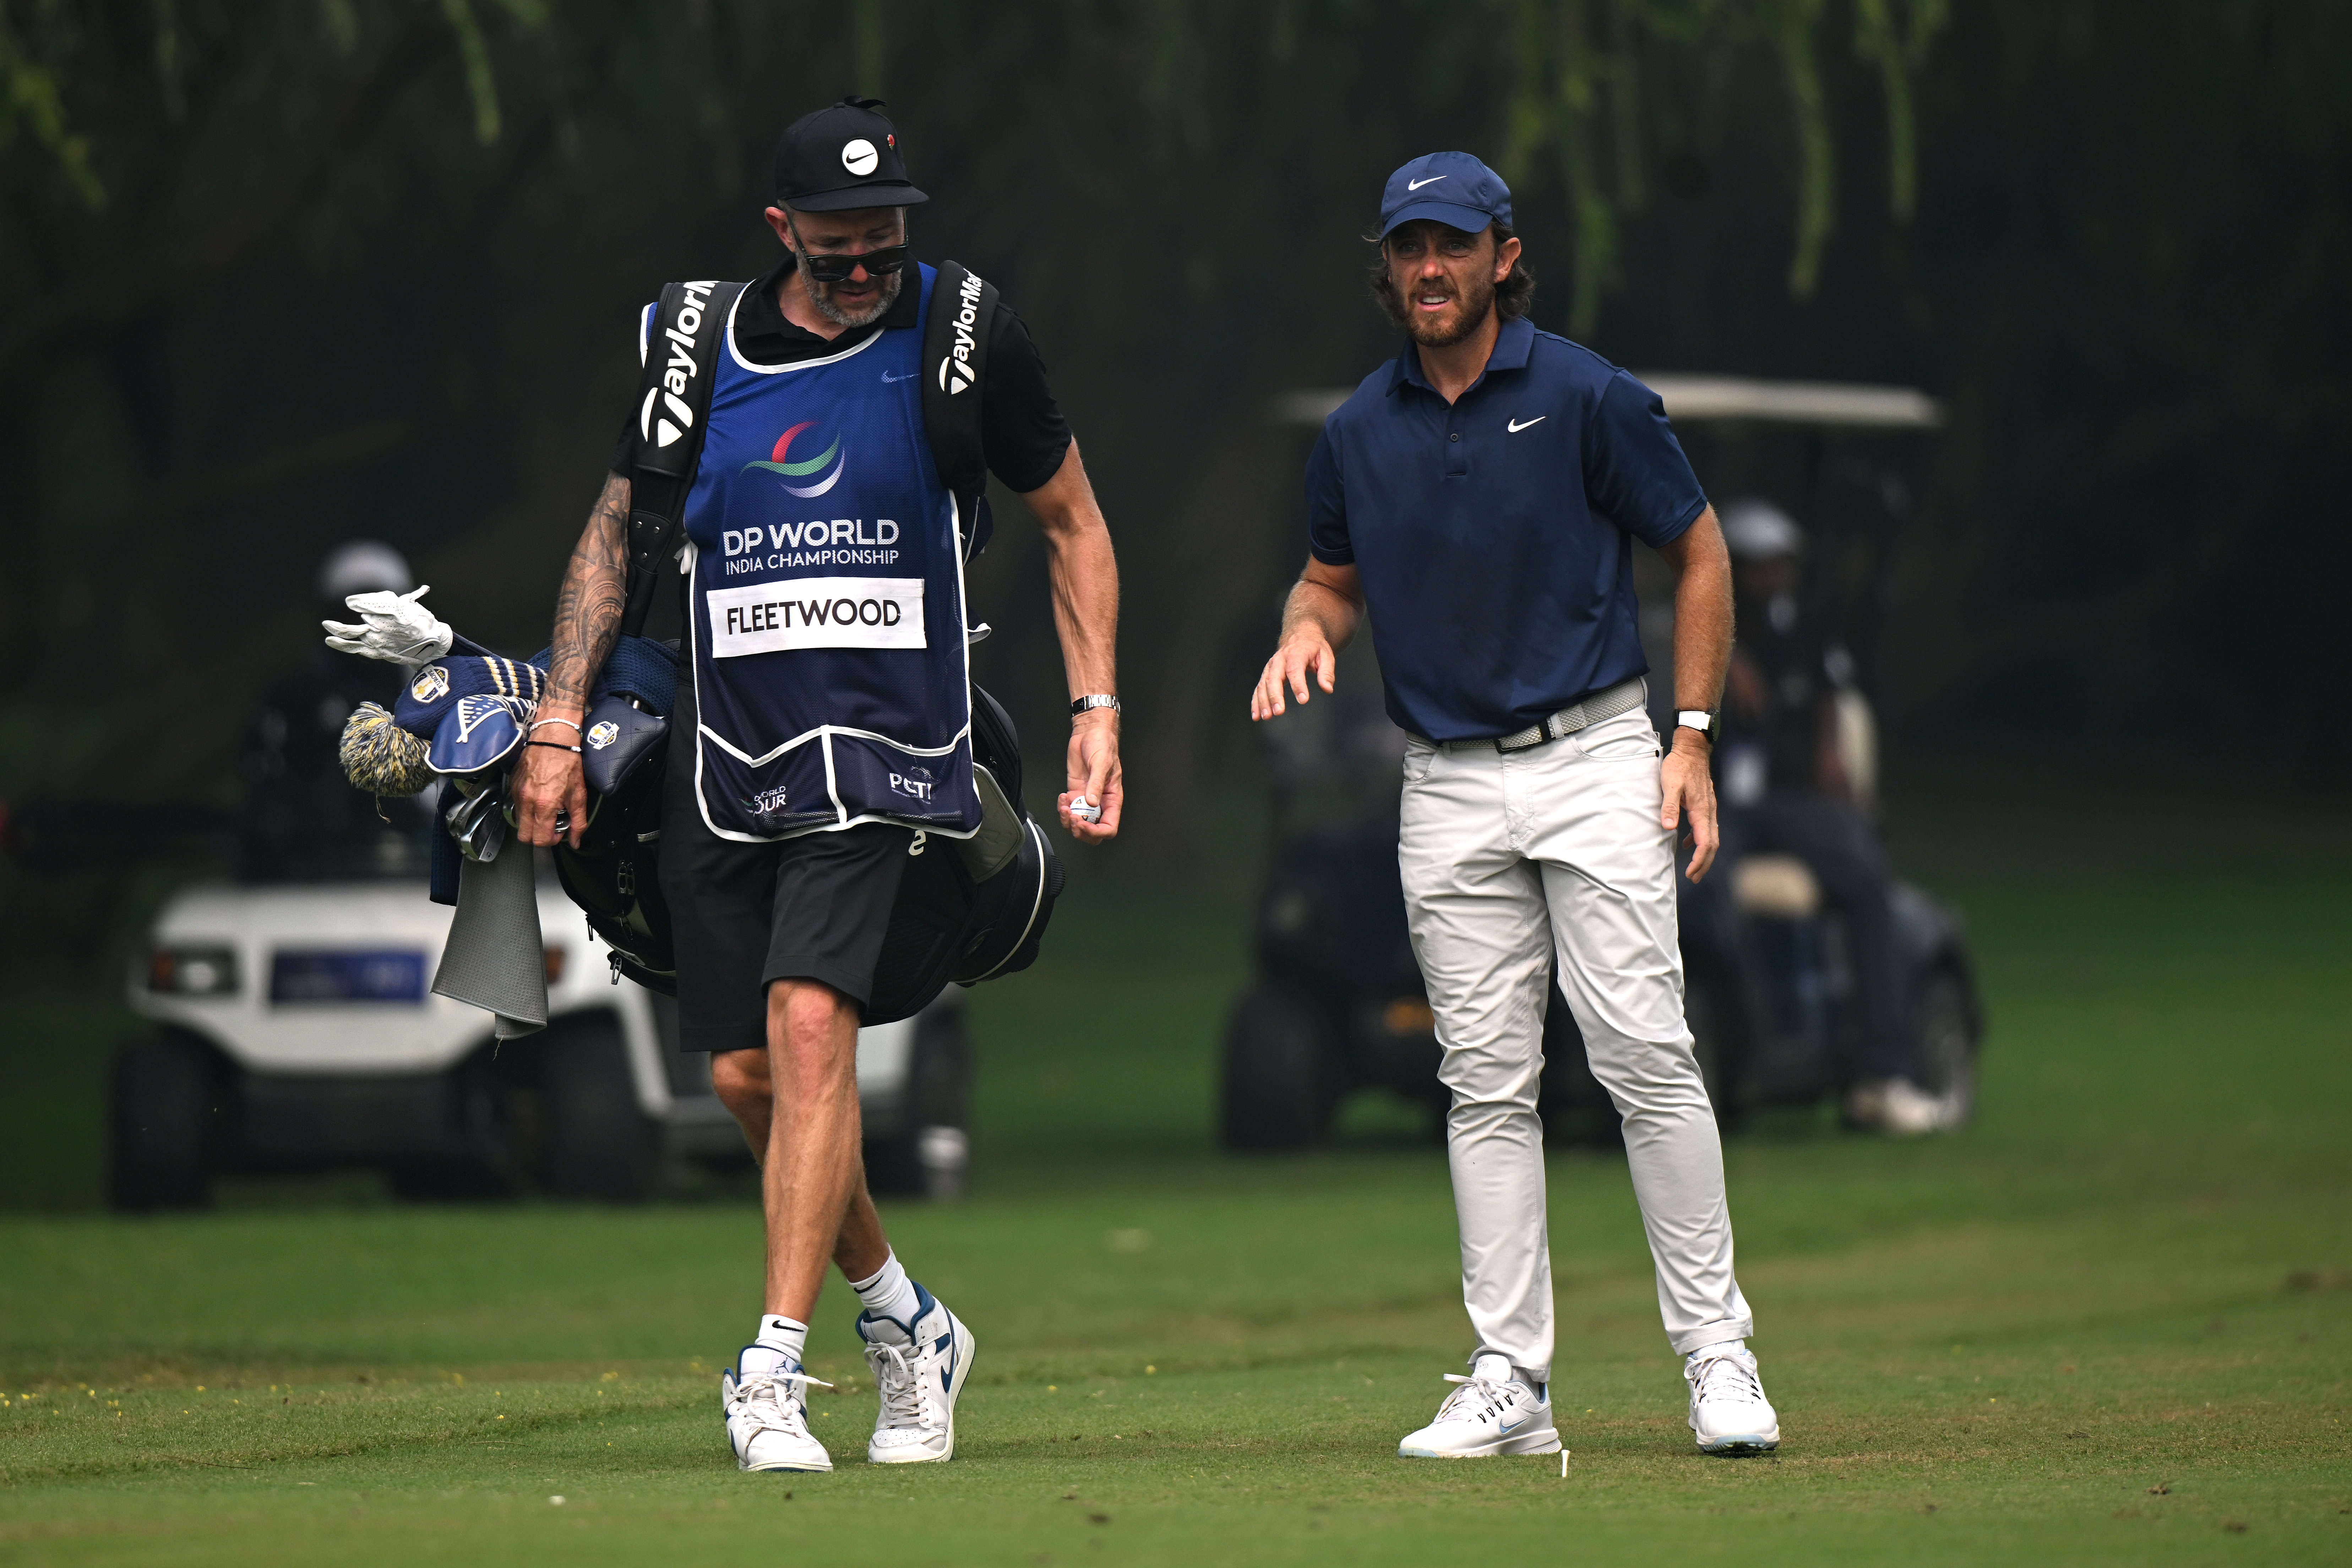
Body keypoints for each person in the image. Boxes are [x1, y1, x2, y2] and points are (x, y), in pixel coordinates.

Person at [514, 96, 1123, 1475]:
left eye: (886, 243)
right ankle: (906, 1315)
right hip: (725, 762)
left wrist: (1099, 709)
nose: (867, 270)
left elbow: (1074, 519)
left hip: (889, 750)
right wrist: (558, 717)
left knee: (808, 1029)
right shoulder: (694, 348)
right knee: (744, 1075)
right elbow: (617, 528)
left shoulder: (963, 336)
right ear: (783, 231)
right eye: (839, 247)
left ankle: (773, 1372)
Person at [1251, 151, 1778, 1458]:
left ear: (1502, 255)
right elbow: (1326, 582)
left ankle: (1719, 1358)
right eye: (1408, 249)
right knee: (1483, 1082)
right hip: (1443, 781)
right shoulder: (1358, 430)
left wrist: (1692, 736)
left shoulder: (1588, 393)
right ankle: (1511, 1381)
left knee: (1644, 1055)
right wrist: (1299, 632)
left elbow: (1699, 550)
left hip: (1594, 752)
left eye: (1452, 246)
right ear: (1386, 266)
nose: (1429, 268)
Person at [1714, 499, 1946, 1134]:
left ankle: (1881, 1074)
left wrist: (1827, 756)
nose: (1769, 581)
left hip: (1782, 803)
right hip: (1701, 799)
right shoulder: (1691, 628)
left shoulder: (1801, 630)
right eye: (1756, 568)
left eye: (1778, 568)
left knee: (1864, 880)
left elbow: (1823, 701)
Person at [240, 542, 436, 882]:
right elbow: (267, 791)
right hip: (311, 876)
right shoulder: (293, 701)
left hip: (421, 874)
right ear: (329, 614)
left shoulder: (438, 691)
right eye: (356, 606)